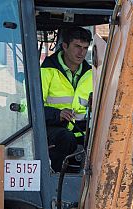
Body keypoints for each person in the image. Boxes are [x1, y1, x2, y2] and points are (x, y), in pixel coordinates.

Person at [41, 26, 93, 171]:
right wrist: (57, 114)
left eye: (85, 48)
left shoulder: (92, 74)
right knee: (64, 138)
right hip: (52, 127)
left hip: (82, 131)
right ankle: (57, 176)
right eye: (77, 46)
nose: (81, 52)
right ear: (65, 46)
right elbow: (29, 107)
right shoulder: (46, 72)